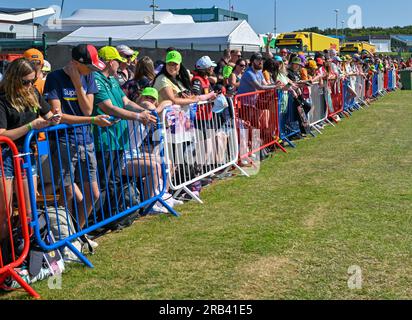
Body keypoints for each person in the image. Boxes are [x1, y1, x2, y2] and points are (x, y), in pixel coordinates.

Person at [44, 44, 112, 246]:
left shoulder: (87, 77)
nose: (92, 71)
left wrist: (78, 83)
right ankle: (65, 238)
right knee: (67, 195)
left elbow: (88, 109)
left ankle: (76, 234)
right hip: (64, 142)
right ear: (74, 63)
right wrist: (90, 120)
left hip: (85, 140)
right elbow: (58, 116)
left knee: (93, 193)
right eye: (89, 67)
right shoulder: (54, 77)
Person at [0, 58, 61, 242]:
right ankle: (5, 254)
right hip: (5, 157)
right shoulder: (2, 99)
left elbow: (49, 114)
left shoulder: (33, 92)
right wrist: (30, 126)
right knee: (5, 212)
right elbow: (2, 134)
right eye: (25, 82)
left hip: (27, 155)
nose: (29, 85)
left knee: (29, 210)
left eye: (32, 81)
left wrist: (53, 119)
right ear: (13, 78)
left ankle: (25, 251)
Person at [92, 46, 157, 216]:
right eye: (119, 62)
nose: (122, 65)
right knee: (105, 181)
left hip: (116, 139)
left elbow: (126, 101)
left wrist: (144, 112)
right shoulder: (96, 79)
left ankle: (115, 214)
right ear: (109, 62)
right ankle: (105, 217)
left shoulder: (113, 80)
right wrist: (137, 116)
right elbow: (108, 108)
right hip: (104, 139)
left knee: (113, 179)